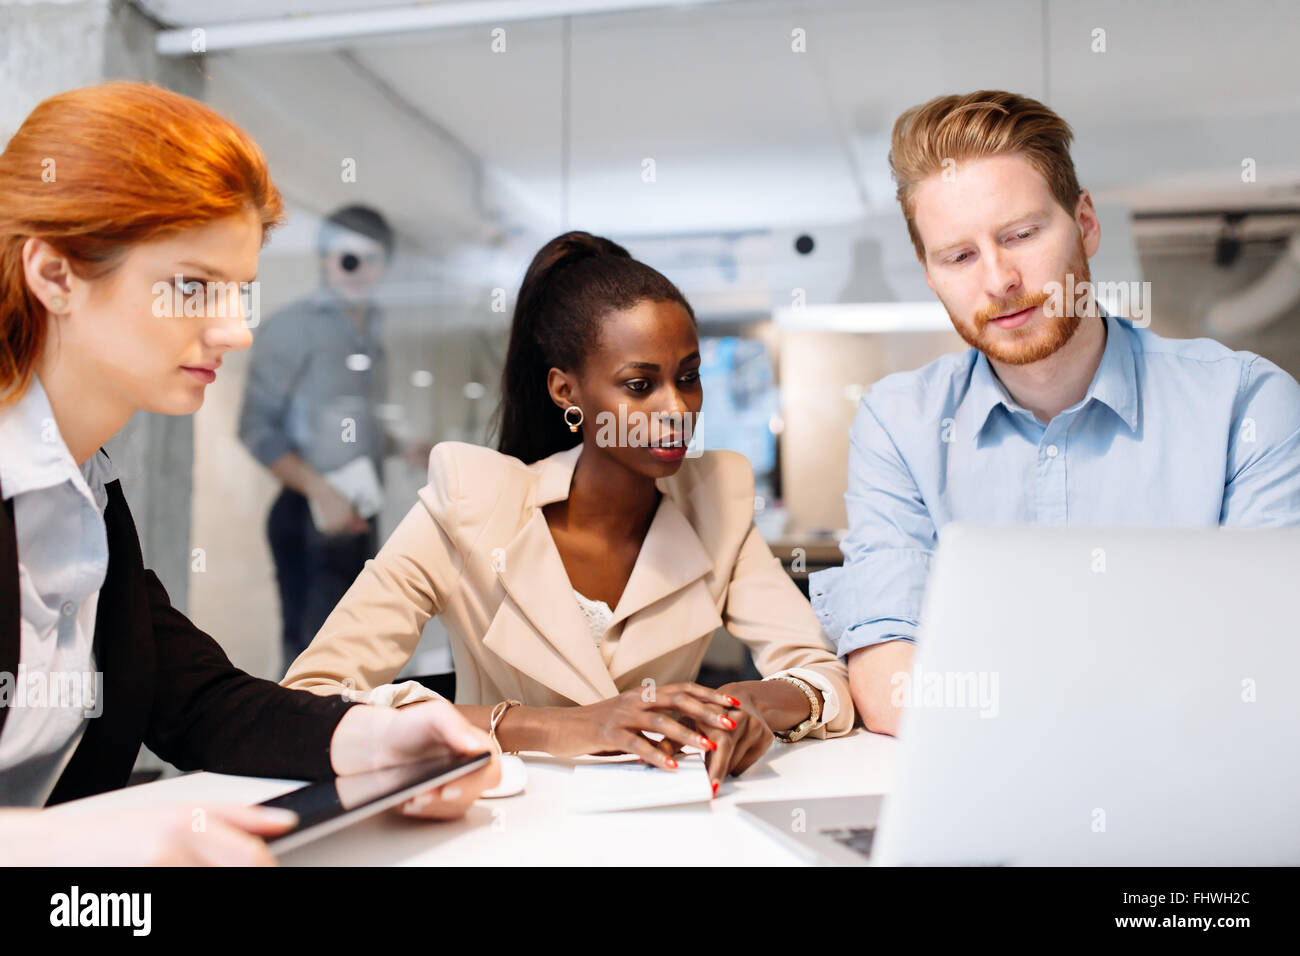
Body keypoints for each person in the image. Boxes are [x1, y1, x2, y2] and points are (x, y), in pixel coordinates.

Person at [0, 81, 497, 864]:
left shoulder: (86, 492)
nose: (233, 331)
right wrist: (62, 843)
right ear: (55, 274)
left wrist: (373, 737)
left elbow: (193, 701)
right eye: (193, 286)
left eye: (240, 293)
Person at [283, 231, 854, 794]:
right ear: (565, 391)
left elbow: (821, 673)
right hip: (500, 831)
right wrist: (553, 727)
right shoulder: (472, 500)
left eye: (688, 377)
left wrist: (751, 701)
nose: (677, 409)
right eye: (639, 384)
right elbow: (311, 699)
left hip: (666, 825)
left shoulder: (716, 501)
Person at [808, 90, 1300, 736]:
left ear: (1086, 224)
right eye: (959, 256)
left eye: (1021, 235)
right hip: (983, 800)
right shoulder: (897, 426)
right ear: (930, 275)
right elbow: (890, 679)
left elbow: (1262, 662)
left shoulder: (1245, 405)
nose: (999, 280)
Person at [238, 204, 428, 675]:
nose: (357, 270)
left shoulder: (373, 328)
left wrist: (399, 446)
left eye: (371, 258)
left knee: (358, 649)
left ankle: (350, 744)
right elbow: (256, 427)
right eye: (346, 257)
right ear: (323, 259)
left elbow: (347, 421)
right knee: (312, 653)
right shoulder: (291, 328)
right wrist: (321, 493)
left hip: (360, 513)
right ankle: (301, 748)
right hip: (307, 515)